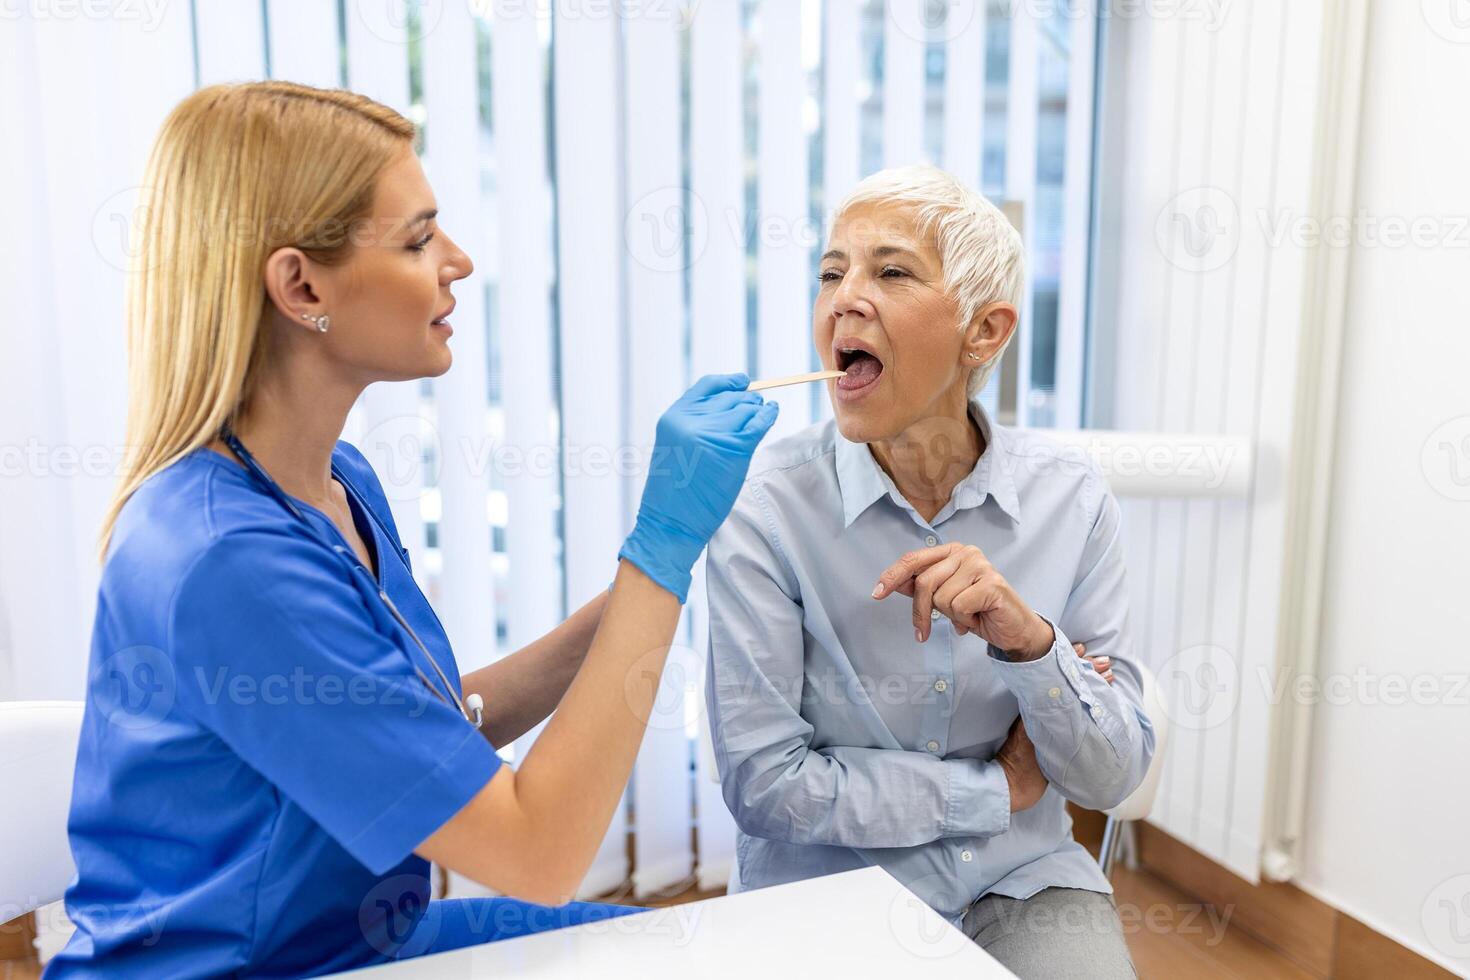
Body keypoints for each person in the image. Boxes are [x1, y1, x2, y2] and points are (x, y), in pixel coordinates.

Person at [49, 81, 777, 977]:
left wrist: (664, 561)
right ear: (301, 283)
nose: (459, 261)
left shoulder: (333, 483)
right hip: (251, 967)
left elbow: (428, 726)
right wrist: (658, 551)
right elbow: (536, 851)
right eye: (418, 237)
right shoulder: (228, 561)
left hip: (358, 940)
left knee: (677, 955)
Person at [705, 165, 1153, 979]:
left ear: (983, 332)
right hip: (825, 889)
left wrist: (1031, 646)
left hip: (1020, 881)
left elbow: (1110, 774)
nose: (845, 296)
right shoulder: (763, 508)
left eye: (891, 271)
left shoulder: (1073, 500)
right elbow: (766, 785)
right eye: (832, 272)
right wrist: (1000, 792)